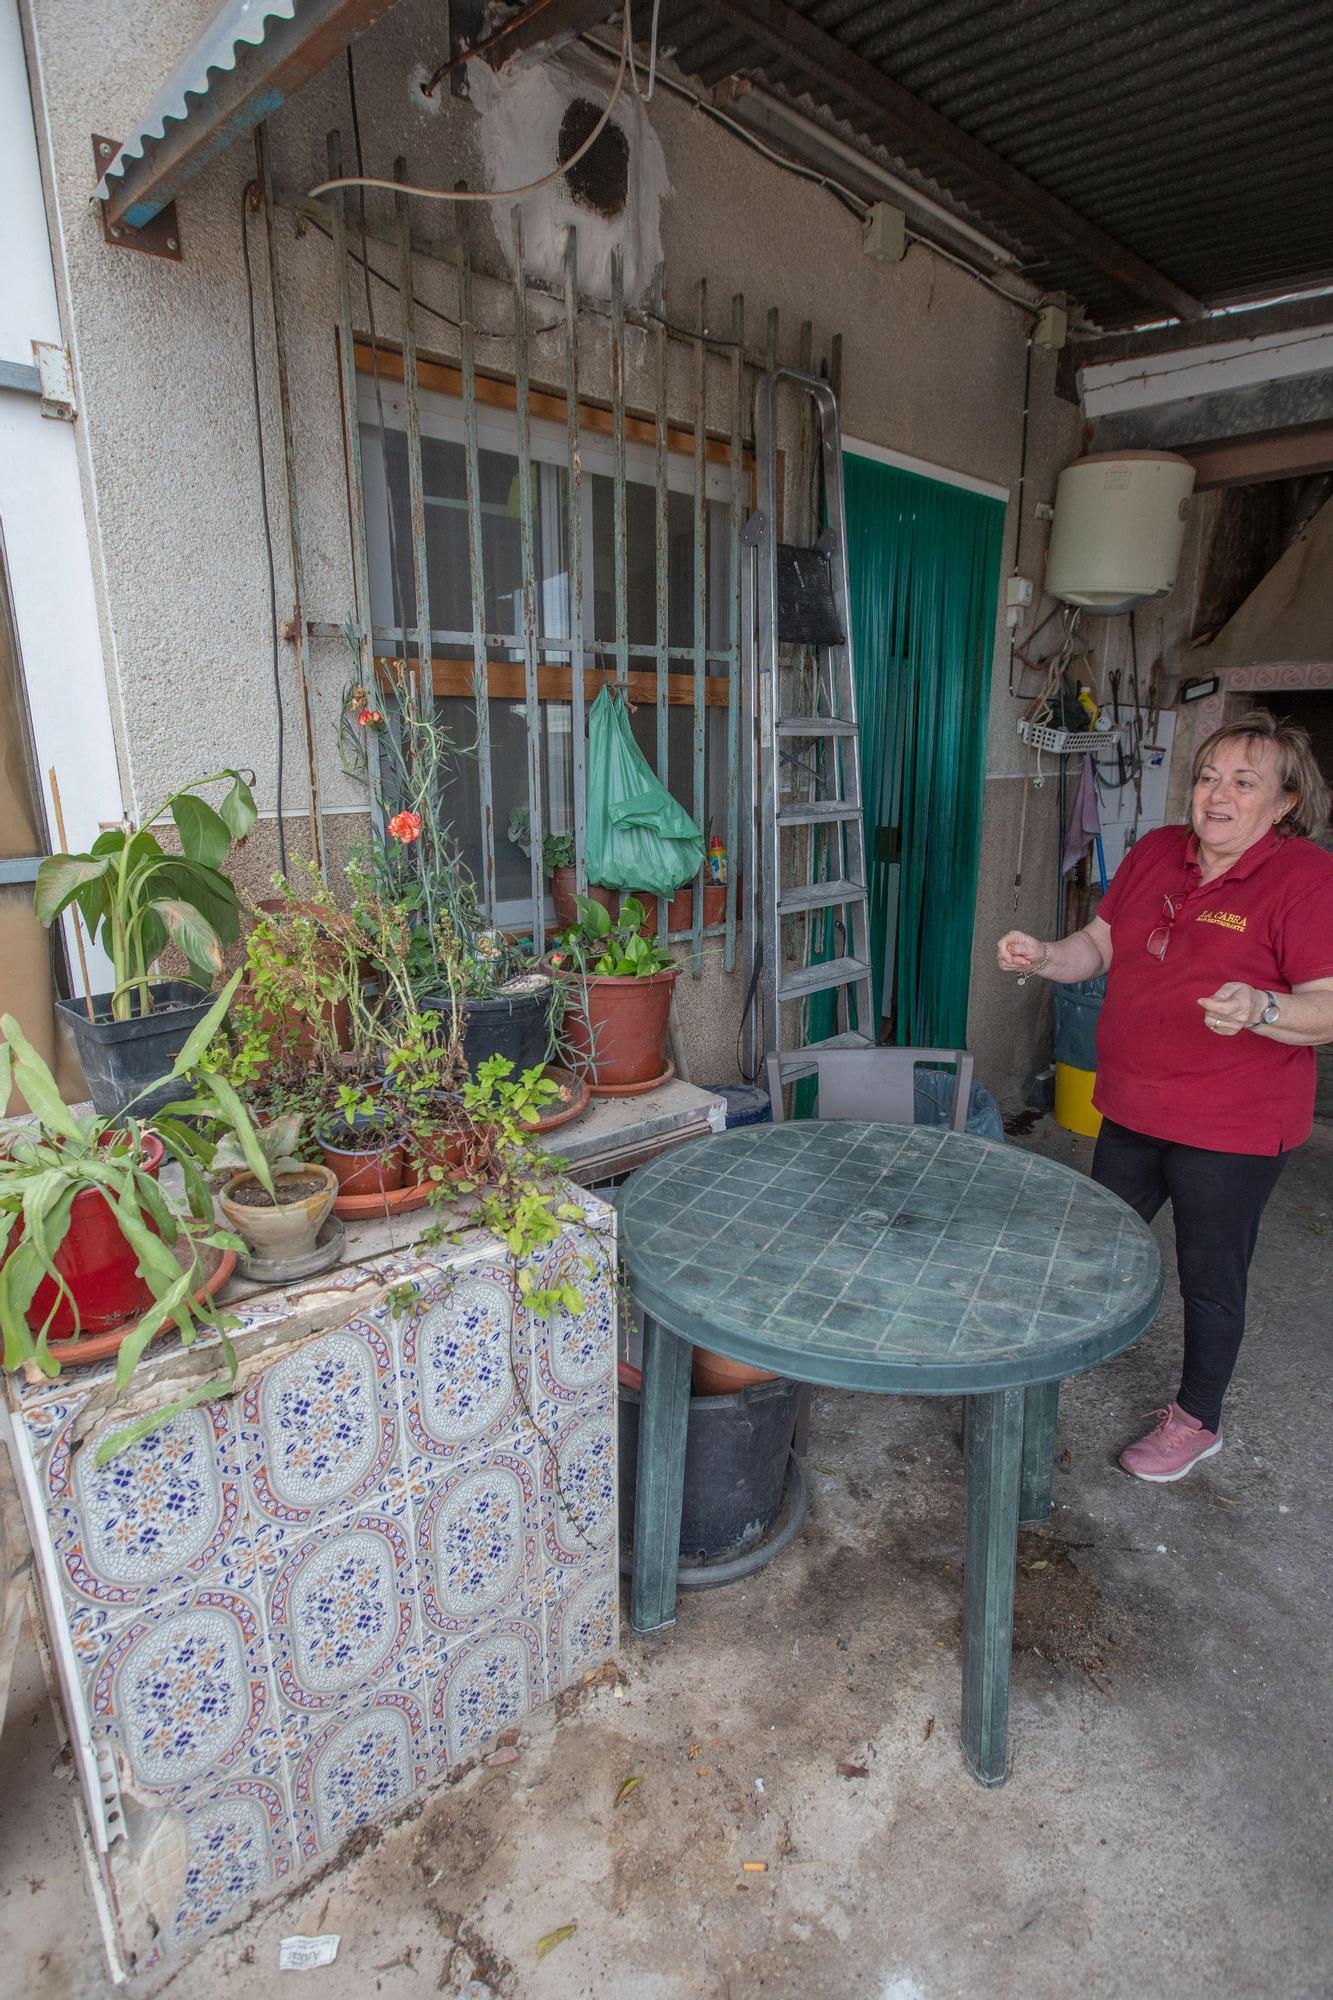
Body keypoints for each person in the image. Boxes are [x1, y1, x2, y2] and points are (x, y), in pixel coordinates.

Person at [998, 709, 1333, 1482]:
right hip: (1134, 1106)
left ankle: (1196, 1419)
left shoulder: (1305, 879)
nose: (1217, 795)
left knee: (1209, 1275)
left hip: (1233, 1125)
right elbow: (1101, 946)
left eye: (1243, 783)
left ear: (1282, 803)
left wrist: (1263, 1008)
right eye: (1208, 777)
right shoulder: (1155, 852)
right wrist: (1046, 954)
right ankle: (1045, 1366)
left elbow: (1325, 1005)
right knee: (1092, 1247)